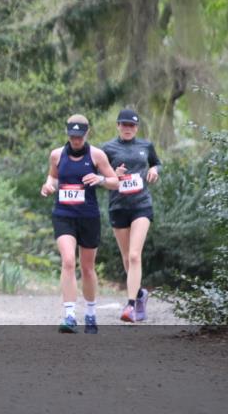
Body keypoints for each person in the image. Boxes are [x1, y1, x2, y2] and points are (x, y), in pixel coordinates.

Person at [40, 115, 119, 333]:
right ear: (67, 134)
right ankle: (69, 315)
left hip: (88, 217)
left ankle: (91, 313)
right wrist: (48, 186)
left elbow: (115, 182)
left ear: (87, 134)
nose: (76, 140)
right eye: (72, 136)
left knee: (87, 268)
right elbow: (53, 178)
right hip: (63, 214)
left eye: (79, 137)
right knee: (67, 261)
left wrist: (100, 179)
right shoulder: (57, 155)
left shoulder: (97, 155)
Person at [101, 108, 161, 323]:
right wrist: (112, 176)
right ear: (118, 126)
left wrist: (155, 170)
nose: (128, 129)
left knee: (135, 255)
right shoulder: (107, 148)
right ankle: (140, 295)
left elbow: (156, 162)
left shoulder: (146, 146)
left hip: (141, 206)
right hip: (118, 206)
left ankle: (130, 305)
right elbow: (99, 176)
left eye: (132, 125)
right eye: (124, 125)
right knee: (126, 258)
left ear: (137, 128)